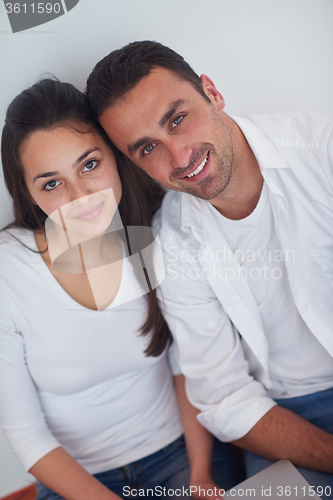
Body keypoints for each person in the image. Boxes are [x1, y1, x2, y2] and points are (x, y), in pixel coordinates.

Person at [85, 41, 333, 497]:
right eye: (147, 148)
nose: (179, 158)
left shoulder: (323, 152)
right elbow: (225, 399)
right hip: (283, 419)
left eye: (177, 119)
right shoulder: (174, 242)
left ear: (212, 92)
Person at [0, 79, 245, 500]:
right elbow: (27, 435)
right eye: (52, 183)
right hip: (79, 479)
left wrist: (201, 473)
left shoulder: (155, 233)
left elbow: (184, 366)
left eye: (89, 165)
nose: (82, 197)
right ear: (28, 192)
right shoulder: (9, 272)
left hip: (182, 453)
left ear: (114, 156)